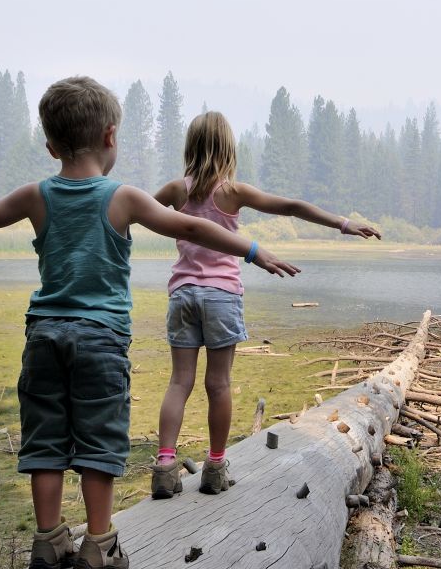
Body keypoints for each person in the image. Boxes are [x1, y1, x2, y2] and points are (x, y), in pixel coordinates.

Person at [0, 77, 298, 569]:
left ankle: (49, 542)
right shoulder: (123, 198)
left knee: (45, 439)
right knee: (99, 437)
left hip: (44, 335)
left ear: (50, 145)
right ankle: (99, 544)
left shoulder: (37, 196)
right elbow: (188, 226)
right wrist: (251, 250)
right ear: (111, 137)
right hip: (100, 339)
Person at [150, 111, 380, 500]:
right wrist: (343, 224)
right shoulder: (232, 192)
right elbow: (291, 206)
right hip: (221, 296)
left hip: (183, 294)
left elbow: (139, 212)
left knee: (179, 382)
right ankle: (215, 466)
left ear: (191, 147)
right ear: (228, 148)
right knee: (218, 383)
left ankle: (165, 466)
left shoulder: (176, 190)